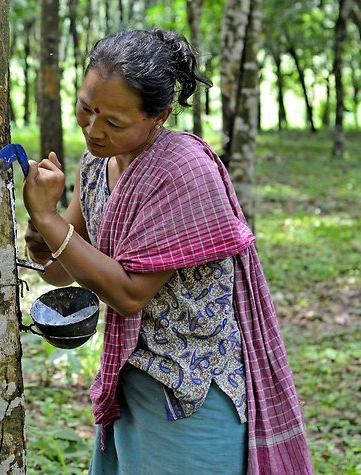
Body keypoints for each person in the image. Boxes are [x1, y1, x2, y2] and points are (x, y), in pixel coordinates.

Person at [21, 29, 313, 474]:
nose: (93, 129)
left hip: (190, 392)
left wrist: (50, 220)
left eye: (114, 122)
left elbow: (129, 293)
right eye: (85, 108)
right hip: (132, 382)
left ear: (160, 115)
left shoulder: (182, 171)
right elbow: (63, 271)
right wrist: (41, 236)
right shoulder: (98, 162)